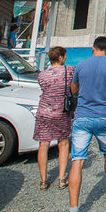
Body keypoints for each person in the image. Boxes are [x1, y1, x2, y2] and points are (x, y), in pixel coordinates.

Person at [66, 36, 106, 212]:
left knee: (77, 160)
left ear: (93, 48)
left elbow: (74, 89)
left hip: (83, 116)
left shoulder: (81, 65)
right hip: (103, 116)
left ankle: (73, 211)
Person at [34, 46, 73, 190]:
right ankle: (62, 178)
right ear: (61, 57)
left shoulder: (42, 75)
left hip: (44, 111)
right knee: (63, 143)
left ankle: (43, 180)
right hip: (61, 111)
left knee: (44, 144)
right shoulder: (68, 71)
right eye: (64, 56)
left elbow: (45, 90)